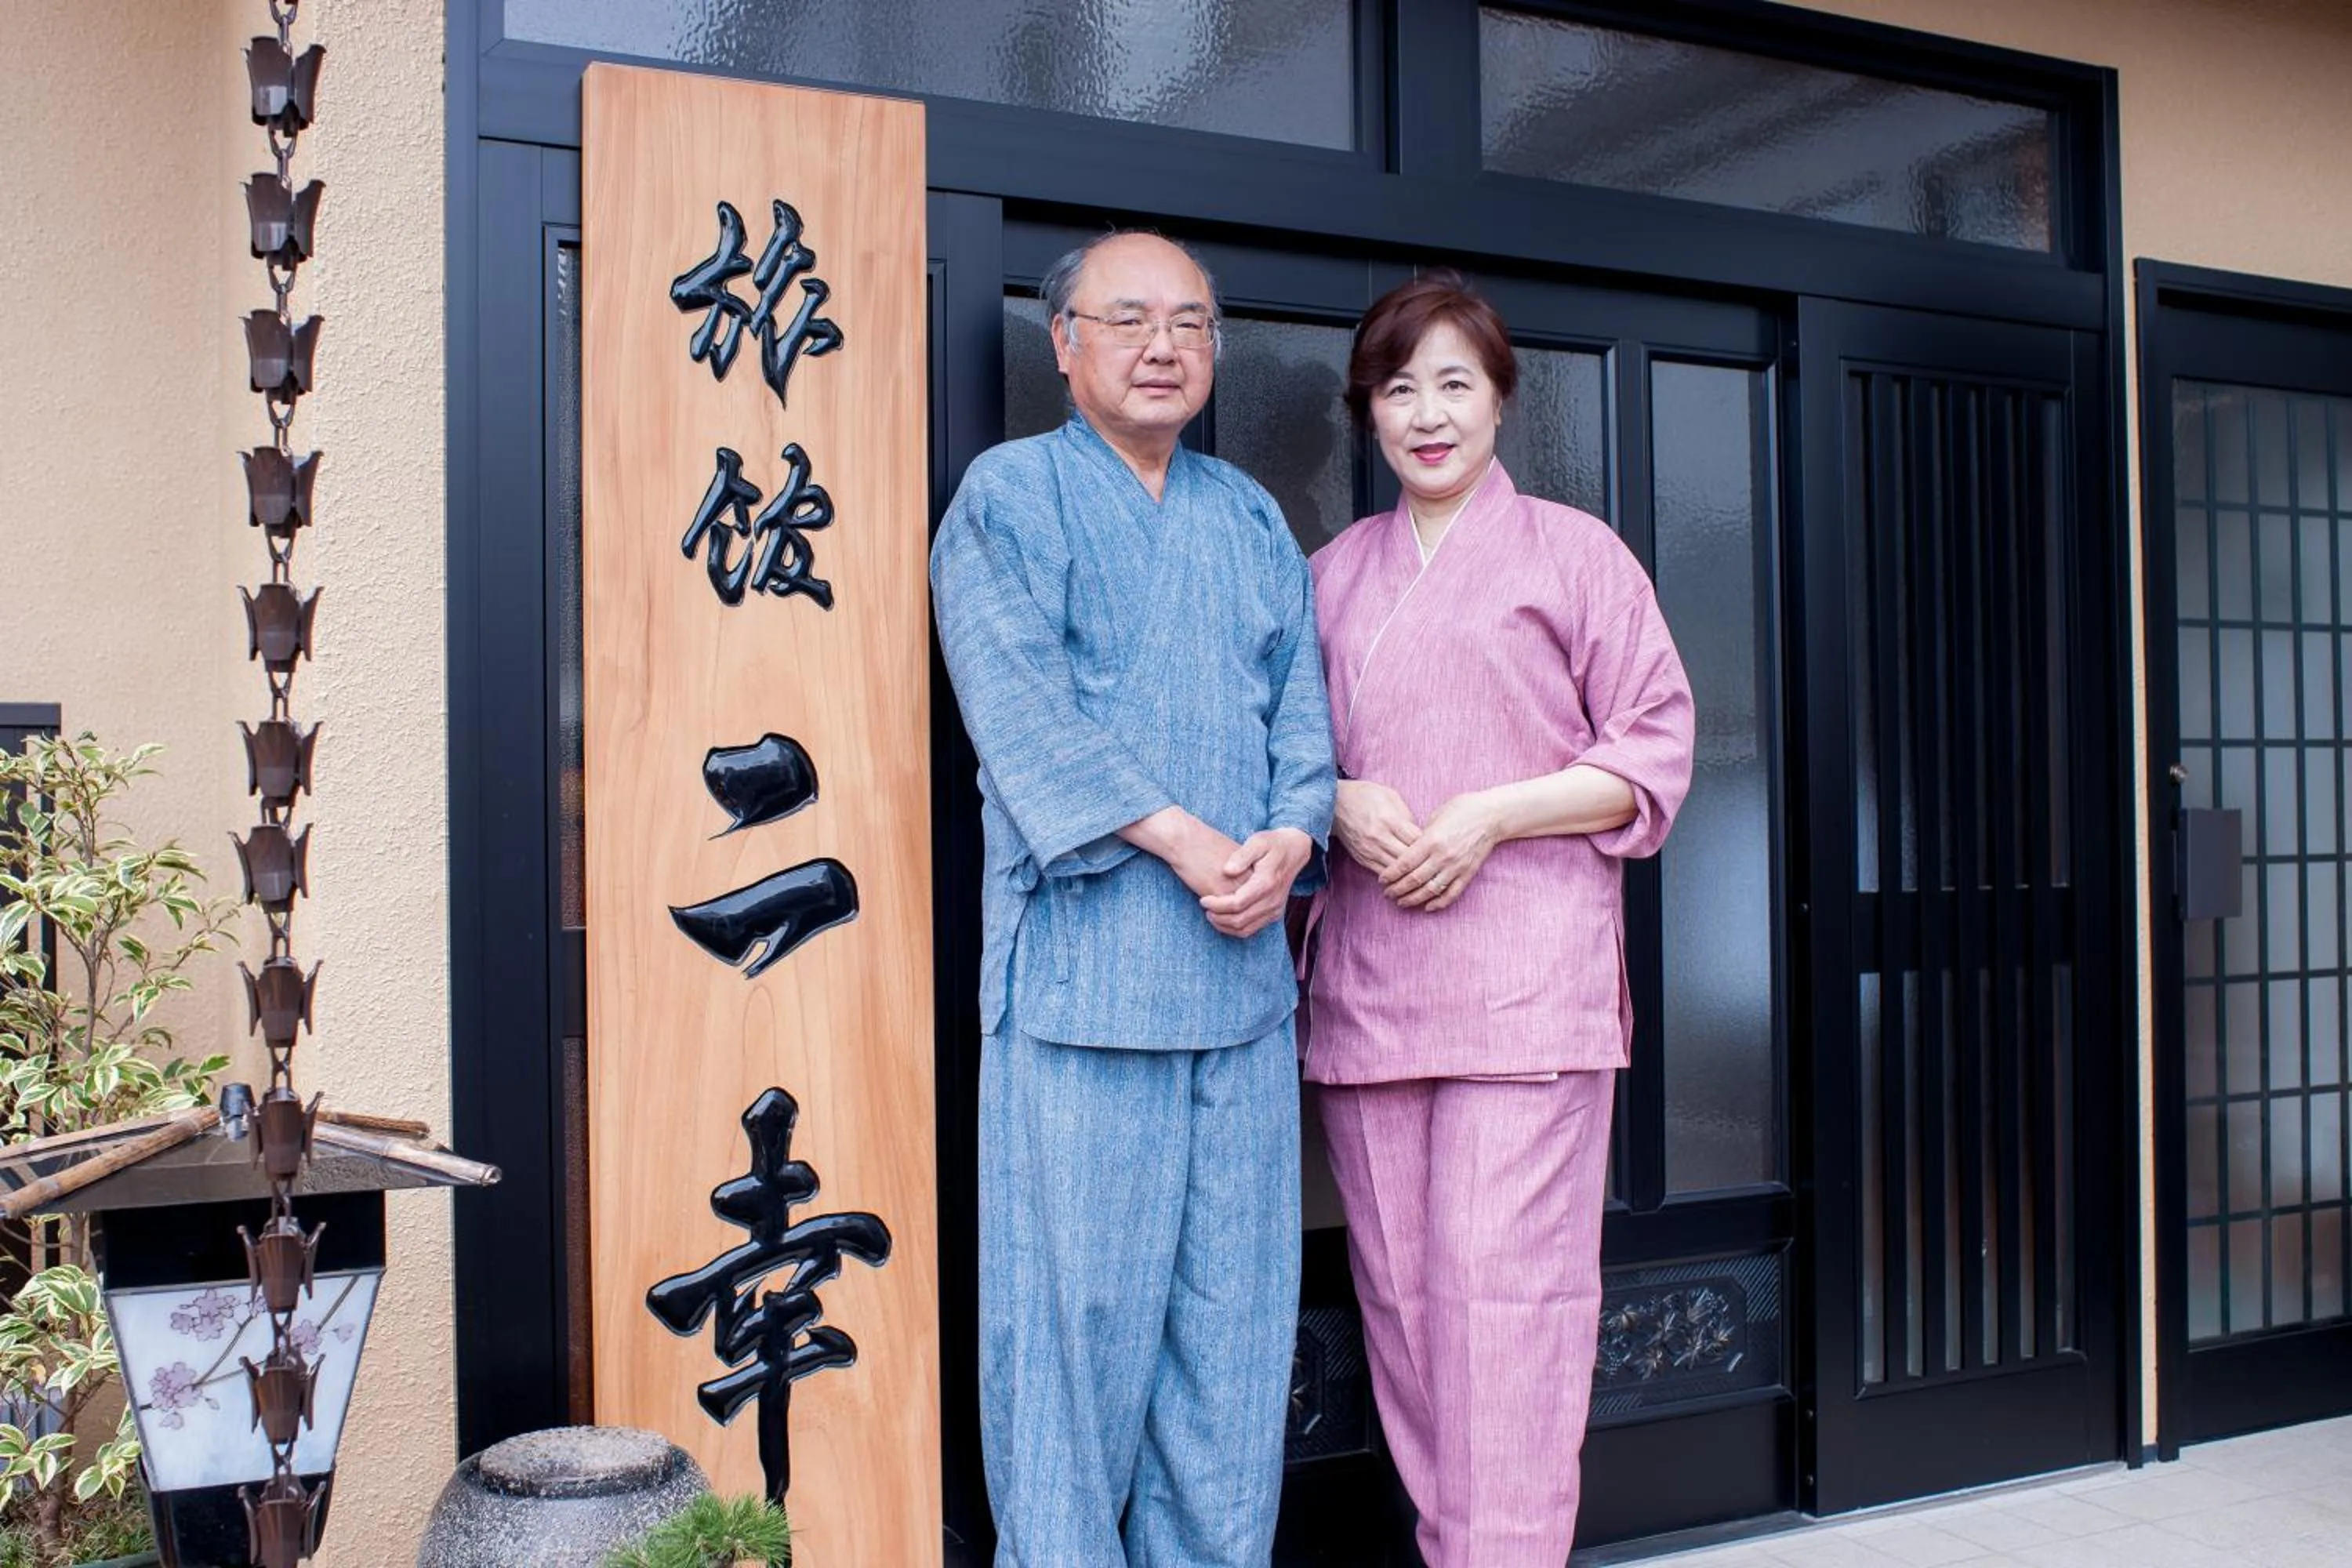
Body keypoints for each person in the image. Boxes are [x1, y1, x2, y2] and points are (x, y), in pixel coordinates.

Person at [930, 230, 1335, 1566]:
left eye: (1191, 325)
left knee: (1231, 1345)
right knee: (1069, 1351)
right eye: (1129, 320)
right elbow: (1019, 712)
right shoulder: (1009, 498)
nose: (1164, 348)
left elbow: (1301, 714)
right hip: (1086, 999)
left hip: (1242, 995)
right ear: (1064, 343)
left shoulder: (1249, 517)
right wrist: (1177, 838)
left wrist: (1287, 837)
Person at [1301, 270, 1694, 1565]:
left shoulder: (1577, 555)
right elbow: (1275, 751)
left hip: (1526, 985)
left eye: (1453, 383)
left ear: (1501, 400)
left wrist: (1488, 816)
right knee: (1409, 1308)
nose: (1426, 413)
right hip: (1371, 992)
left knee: (1509, 1307)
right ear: (1368, 411)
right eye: (1398, 387)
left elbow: (1653, 752)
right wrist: (1339, 802)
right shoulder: (1329, 575)